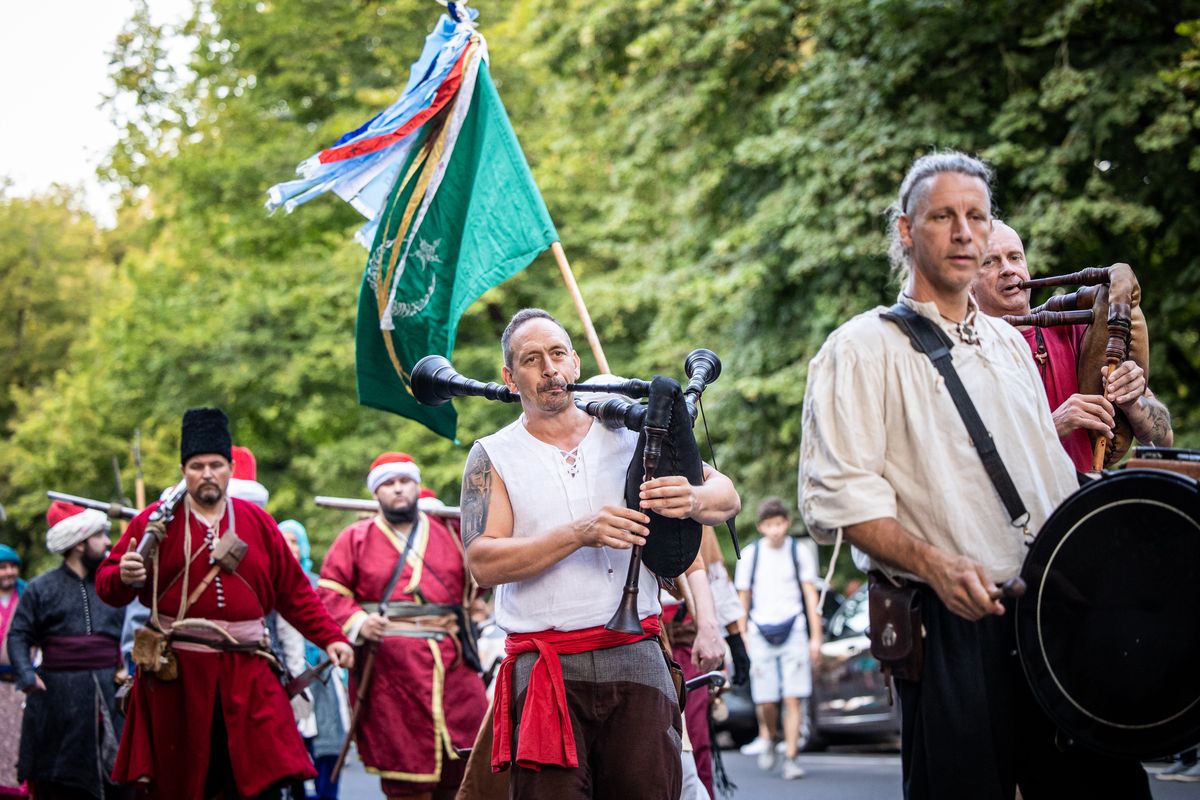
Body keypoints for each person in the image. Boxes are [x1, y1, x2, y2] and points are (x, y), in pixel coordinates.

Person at [798, 151, 1151, 799]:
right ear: (906, 231)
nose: (964, 231)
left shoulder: (1011, 343)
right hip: (954, 625)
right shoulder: (859, 348)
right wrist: (934, 565)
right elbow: (836, 501)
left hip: (1053, 617)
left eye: (976, 217)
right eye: (943, 216)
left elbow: (1044, 479)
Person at [460, 308, 741, 800]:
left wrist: (693, 499)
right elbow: (482, 561)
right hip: (545, 669)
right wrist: (579, 533)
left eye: (557, 354)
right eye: (531, 359)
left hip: (636, 656)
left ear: (575, 361)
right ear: (510, 376)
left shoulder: (631, 433)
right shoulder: (493, 454)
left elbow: (729, 498)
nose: (549, 368)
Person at [96, 407, 354, 800]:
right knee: (184, 786)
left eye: (216, 464)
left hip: (249, 675)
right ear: (184, 470)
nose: (207, 473)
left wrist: (331, 637)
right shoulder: (153, 523)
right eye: (197, 465)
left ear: (231, 468)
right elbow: (109, 586)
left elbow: (295, 592)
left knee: (258, 783)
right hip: (178, 679)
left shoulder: (257, 522)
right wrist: (125, 574)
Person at [318, 452, 487, 800]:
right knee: (405, 774)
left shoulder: (449, 532)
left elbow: (479, 581)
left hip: (453, 662)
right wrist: (359, 621)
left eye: (404, 482)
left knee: (464, 761)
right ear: (376, 494)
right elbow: (330, 592)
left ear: (416, 485)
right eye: (388, 484)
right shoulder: (355, 538)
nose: (398, 490)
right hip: (389, 671)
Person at [971, 220, 1173, 470]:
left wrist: (1131, 402)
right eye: (989, 261)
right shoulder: (964, 354)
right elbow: (967, 466)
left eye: (1015, 257)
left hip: (1084, 504)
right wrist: (1052, 426)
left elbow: (1164, 438)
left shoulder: (1077, 331)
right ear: (967, 283)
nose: (1007, 269)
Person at [8, 502, 127, 800]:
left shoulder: (114, 585)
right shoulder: (40, 588)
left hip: (110, 695)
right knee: (59, 782)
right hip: (57, 699)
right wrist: (26, 675)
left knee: (117, 779)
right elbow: (19, 635)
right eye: (101, 535)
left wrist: (128, 663)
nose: (108, 542)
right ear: (79, 544)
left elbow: (136, 632)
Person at [733, 498, 821, 780]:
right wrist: (743, 633)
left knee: (793, 698)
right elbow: (743, 597)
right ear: (761, 527)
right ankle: (769, 736)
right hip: (760, 630)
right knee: (766, 700)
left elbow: (810, 595)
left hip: (793, 628)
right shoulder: (750, 555)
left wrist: (815, 637)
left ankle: (792, 757)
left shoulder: (799, 552)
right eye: (769, 525)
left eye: (779, 524)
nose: (775, 530)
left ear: (787, 523)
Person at [280, 519, 349, 800]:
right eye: (283, 541)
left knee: (329, 749)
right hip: (284, 681)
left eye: (295, 541)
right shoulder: (268, 583)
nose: (289, 547)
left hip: (322, 679)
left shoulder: (320, 586)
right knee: (290, 756)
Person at [0, 544, 27, 798]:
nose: (9, 572)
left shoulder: (27, 596)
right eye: (3, 567)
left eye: (12, 566)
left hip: (21, 686)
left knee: (18, 745)